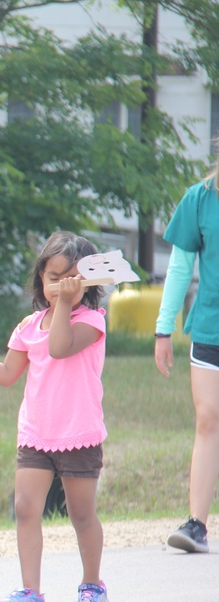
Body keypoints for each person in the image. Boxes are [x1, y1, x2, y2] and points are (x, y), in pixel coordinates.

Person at [0, 231, 110, 602]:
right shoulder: (28, 326)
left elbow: (60, 346)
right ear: (41, 277)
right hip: (36, 433)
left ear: (90, 282)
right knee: (26, 508)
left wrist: (65, 303)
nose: (61, 285)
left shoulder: (92, 321)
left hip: (78, 433)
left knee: (81, 514)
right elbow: (6, 373)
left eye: (73, 278)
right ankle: (31, 593)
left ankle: (92, 585)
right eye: (54, 276)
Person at [154, 144, 219, 554]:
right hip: (210, 328)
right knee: (208, 418)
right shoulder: (200, 198)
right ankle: (196, 524)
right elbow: (180, 268)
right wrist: (164, 329)